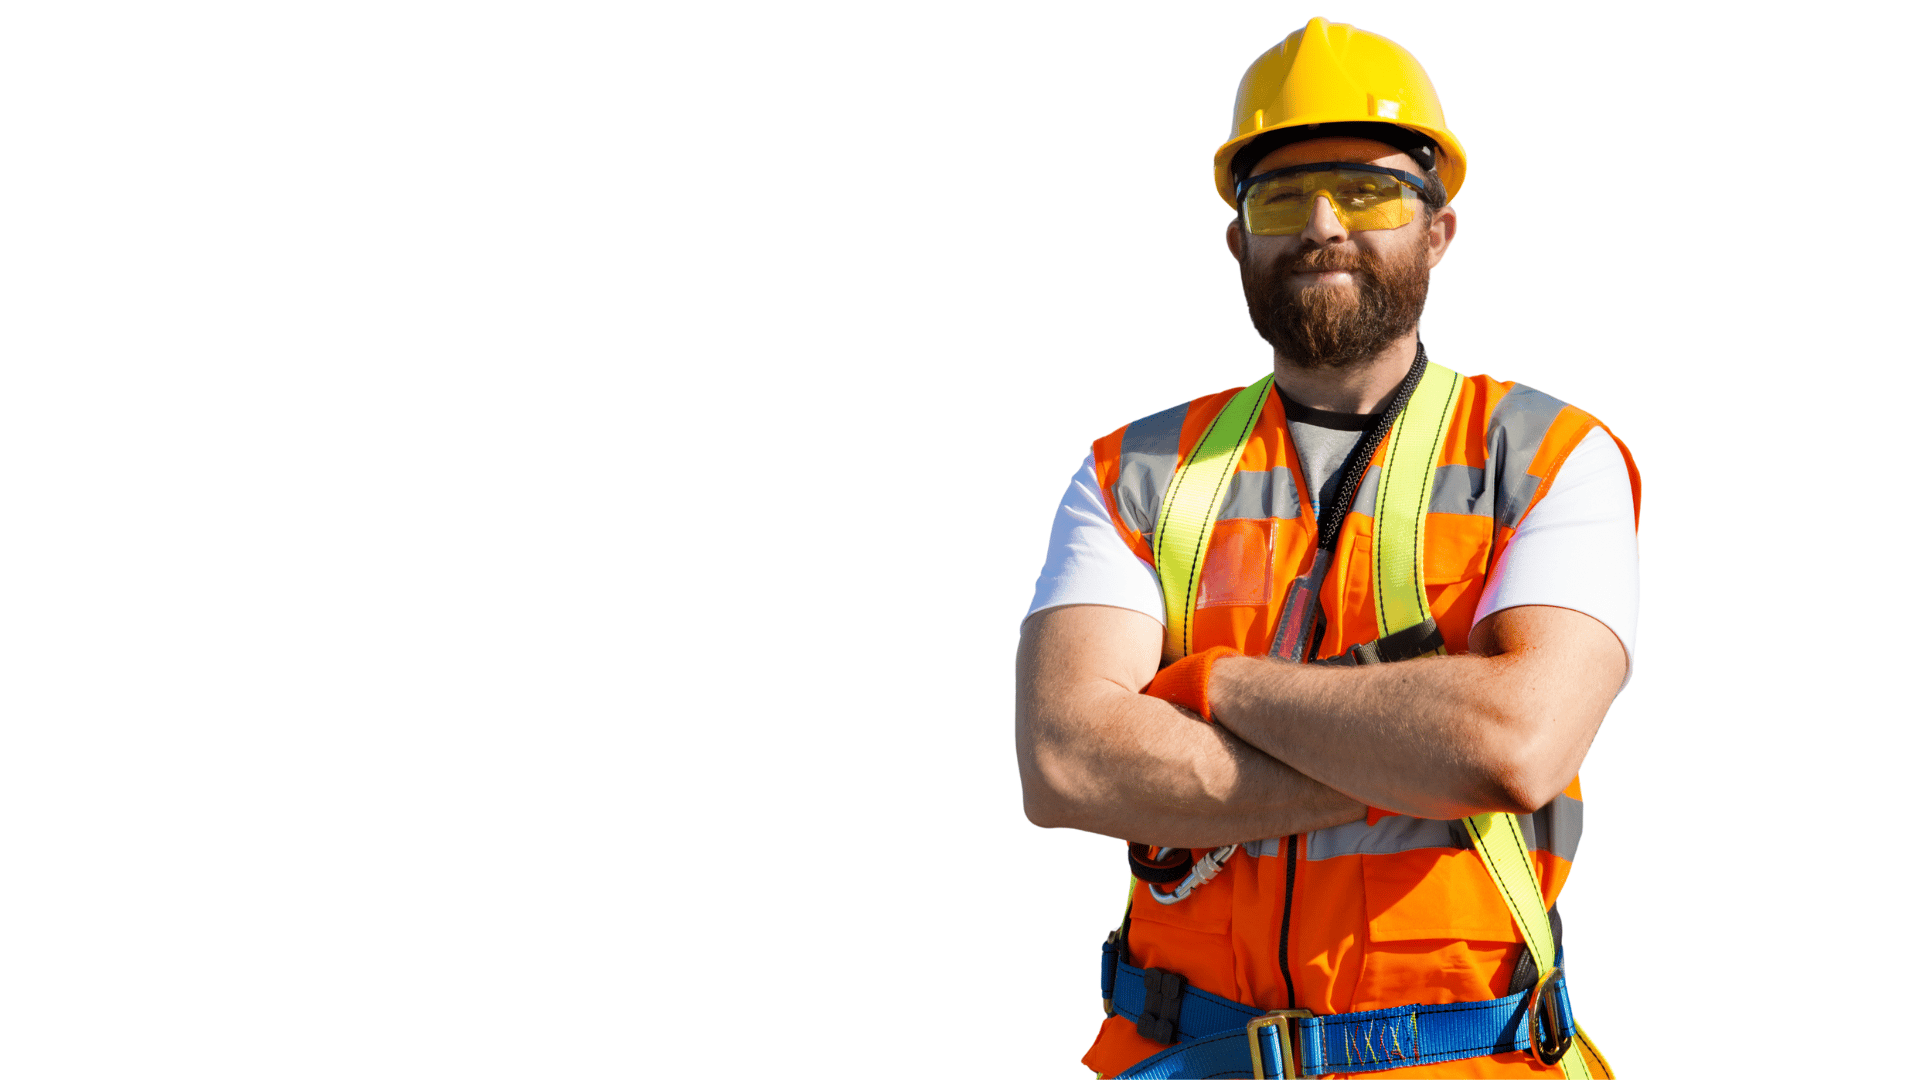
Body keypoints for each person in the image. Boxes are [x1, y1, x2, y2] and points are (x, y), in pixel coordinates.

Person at [1014, 19, 1639, 1079]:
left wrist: (1206, 684)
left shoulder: (1549, 454)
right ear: (1237, 241)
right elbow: (1066, 760)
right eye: (1280, 198)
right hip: (1182, 1054)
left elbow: (1514, 747)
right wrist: (1414, 759)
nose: (1322, 226)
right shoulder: (1132, 472)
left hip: (1469, 1061)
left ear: (1439, 232)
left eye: (1368, 191)